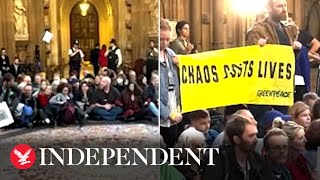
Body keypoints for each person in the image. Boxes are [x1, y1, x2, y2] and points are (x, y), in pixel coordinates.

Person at [246, 0, 301, 136]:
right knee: (265, 124)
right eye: (279, 6)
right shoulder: (258, 29)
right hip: (265, 89)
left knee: (282, 123)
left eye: (284, 6)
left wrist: (295, 51)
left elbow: (289, 60)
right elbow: (250, 58)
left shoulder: (289, 29)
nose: (283, 9)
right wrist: (257, 48)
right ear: (269, 8)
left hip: (282, 88)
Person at [203, 115, 274, 180]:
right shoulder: (220, 162)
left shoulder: (258, 161)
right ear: (236, 139)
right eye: (251, 136)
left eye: (256, 135)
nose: (256, 139)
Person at [160, 18, 182, 149]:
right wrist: (167, 113)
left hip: (174, 106)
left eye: (167, 39)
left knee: (171, 146)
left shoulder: (171, 54)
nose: (165, 43)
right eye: (161, 39)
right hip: (162, 113)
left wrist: (181, 65)